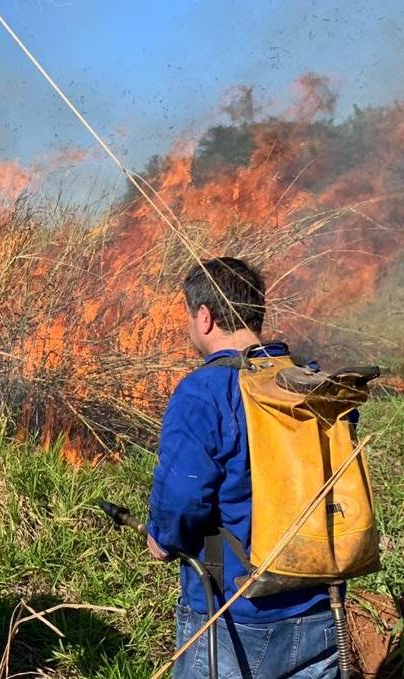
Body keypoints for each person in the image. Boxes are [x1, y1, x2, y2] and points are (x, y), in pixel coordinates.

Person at [146, 257, 339, 678]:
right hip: (320, 610)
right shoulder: (308, 381)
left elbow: (184, 494)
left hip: (232, 617)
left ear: (205, 316)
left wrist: (161, 538)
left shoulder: (204, 391)